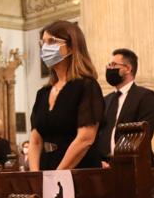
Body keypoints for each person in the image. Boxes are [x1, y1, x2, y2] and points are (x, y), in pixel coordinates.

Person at [29, 20, 105, 171]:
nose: (45, 47)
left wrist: (58, 175)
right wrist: (35, 175)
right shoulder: (43, 93)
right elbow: (36, 141)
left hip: (78, 170)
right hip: (47, 166)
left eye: (52, 41)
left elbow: (85, 138)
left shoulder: (86, 86)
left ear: (71, 47)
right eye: (42, 43)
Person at [95, 48, 154, 165]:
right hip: (105, 167)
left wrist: (117, 162)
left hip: (134, 165)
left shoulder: (145, 96)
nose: (109, 68)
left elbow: (142, 136)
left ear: (128, 69)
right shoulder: (106, 100)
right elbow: (100, 134)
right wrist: (100, 161)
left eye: (114, 65)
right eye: (109, 65)